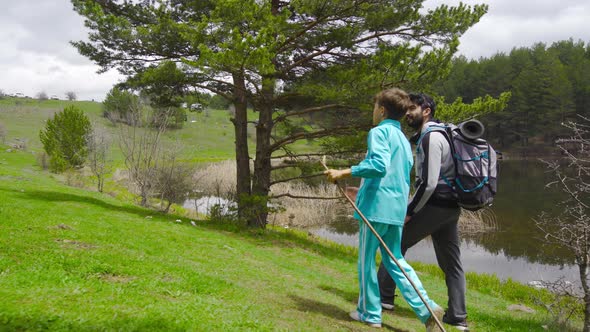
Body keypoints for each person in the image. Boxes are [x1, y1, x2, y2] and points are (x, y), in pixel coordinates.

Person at [325, 88, 444, 330]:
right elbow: (393, 173)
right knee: (396, 260)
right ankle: (427, 307)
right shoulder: (403, 138)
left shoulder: (378, 132)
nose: (373, 112)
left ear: (381, 110)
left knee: (366, 261)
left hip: (375, 209)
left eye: (374, 107)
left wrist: (345, 171)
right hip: (396, 209)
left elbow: (379, 166)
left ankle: (369, 314)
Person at [377, 93, 469, 331]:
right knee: (452, 263)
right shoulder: (444, 134)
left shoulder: (431, 137)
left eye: (413, 108)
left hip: (434, 206)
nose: (408, 112)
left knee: (394, 245)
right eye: (406, 108)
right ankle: (458, 317)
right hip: (451, 208)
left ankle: (383, 297)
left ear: (426, 111)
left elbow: (428, 182)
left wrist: (410, 210)